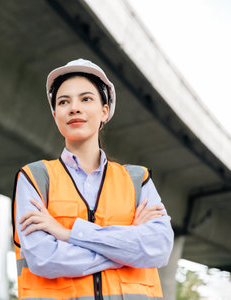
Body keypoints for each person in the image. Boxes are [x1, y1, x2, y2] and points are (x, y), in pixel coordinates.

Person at [12, 58, 174, 300]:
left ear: (104, 111)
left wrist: (67, 234)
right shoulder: (35, 178)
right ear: (55, 114)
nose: (74, 108)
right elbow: (43, 258)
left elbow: (159, 249)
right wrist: (127, 248)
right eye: (64, 101)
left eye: (86, 99)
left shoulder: (138, 180)